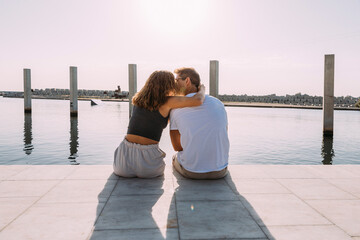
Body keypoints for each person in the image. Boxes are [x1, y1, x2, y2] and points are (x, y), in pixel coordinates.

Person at [113, 70, 205, 178]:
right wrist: (202, 89)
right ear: (168, 85)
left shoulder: (138, 100)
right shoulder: (167, 101)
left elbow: (154, 119)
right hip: (148, 164)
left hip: (122, 161)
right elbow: (198, 100)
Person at [170, 67, 229, 179]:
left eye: (177, 80)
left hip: (192, 172)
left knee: (174, 157)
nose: (174, 84)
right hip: (221, 170)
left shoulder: (175, 109)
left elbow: (177, 146)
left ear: (187, 81)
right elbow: (224, 134)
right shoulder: (218, 103)